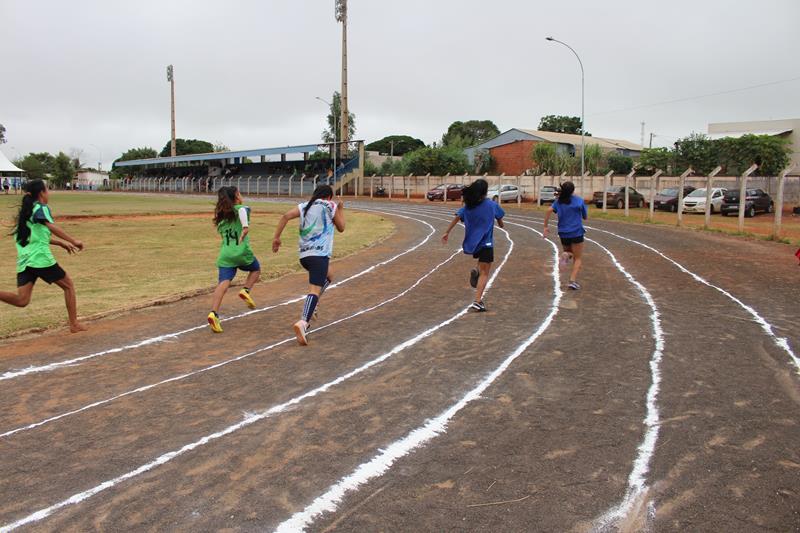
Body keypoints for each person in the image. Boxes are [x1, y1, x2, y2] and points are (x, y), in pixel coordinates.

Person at [0, 179, 86, 332]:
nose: (49, 193)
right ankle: (74, 324)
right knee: (68, 286)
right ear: (41, 193)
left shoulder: (26, 212)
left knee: (22, 300)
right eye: (47, 190)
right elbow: (51, 226)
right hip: (40, 258)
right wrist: (74, 240)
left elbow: (36, 237)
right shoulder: (40, 207)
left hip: (25, 260)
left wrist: (60, 243)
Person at [272, 184, 345, 345]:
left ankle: (315, 302)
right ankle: (303, 322)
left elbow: (285, 216)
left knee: (330, 275)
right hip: (319, 255)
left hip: (304, 256)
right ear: (329, 197)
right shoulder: (330, 205)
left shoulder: (305, 206)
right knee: (314, 290)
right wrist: (340, 209)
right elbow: (342, 227)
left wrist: (276, 238)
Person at [441, 178, 505, 312]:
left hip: (474, 244)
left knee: (481, 266)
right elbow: (500, 219)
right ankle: (477, 301)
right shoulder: (491, 205)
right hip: (486, 243)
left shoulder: (468, 207)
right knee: (485, 273)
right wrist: (501, 224)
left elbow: (457, 217)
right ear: (485, 192)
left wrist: (447, 232)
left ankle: (476, 270)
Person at [207, 186, 261, 333]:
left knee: (223, 283)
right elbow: (243, 211)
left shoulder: (221, 218)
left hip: (226, 254)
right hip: (241, 252)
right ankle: (245, 290)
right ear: (236, 196)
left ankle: (214, 313)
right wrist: (245, 227)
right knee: (256, 269)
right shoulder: (240, 209)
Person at [543, 181, 587, 290]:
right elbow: (585, 217)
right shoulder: (579, 201)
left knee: (569, 252)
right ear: (573, 190)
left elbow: (549, 210)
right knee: (578, 258)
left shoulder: (559, 202)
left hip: (563, 233)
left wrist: (545, 226)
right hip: (576, 232)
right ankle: (572, 281)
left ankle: (566, 254)